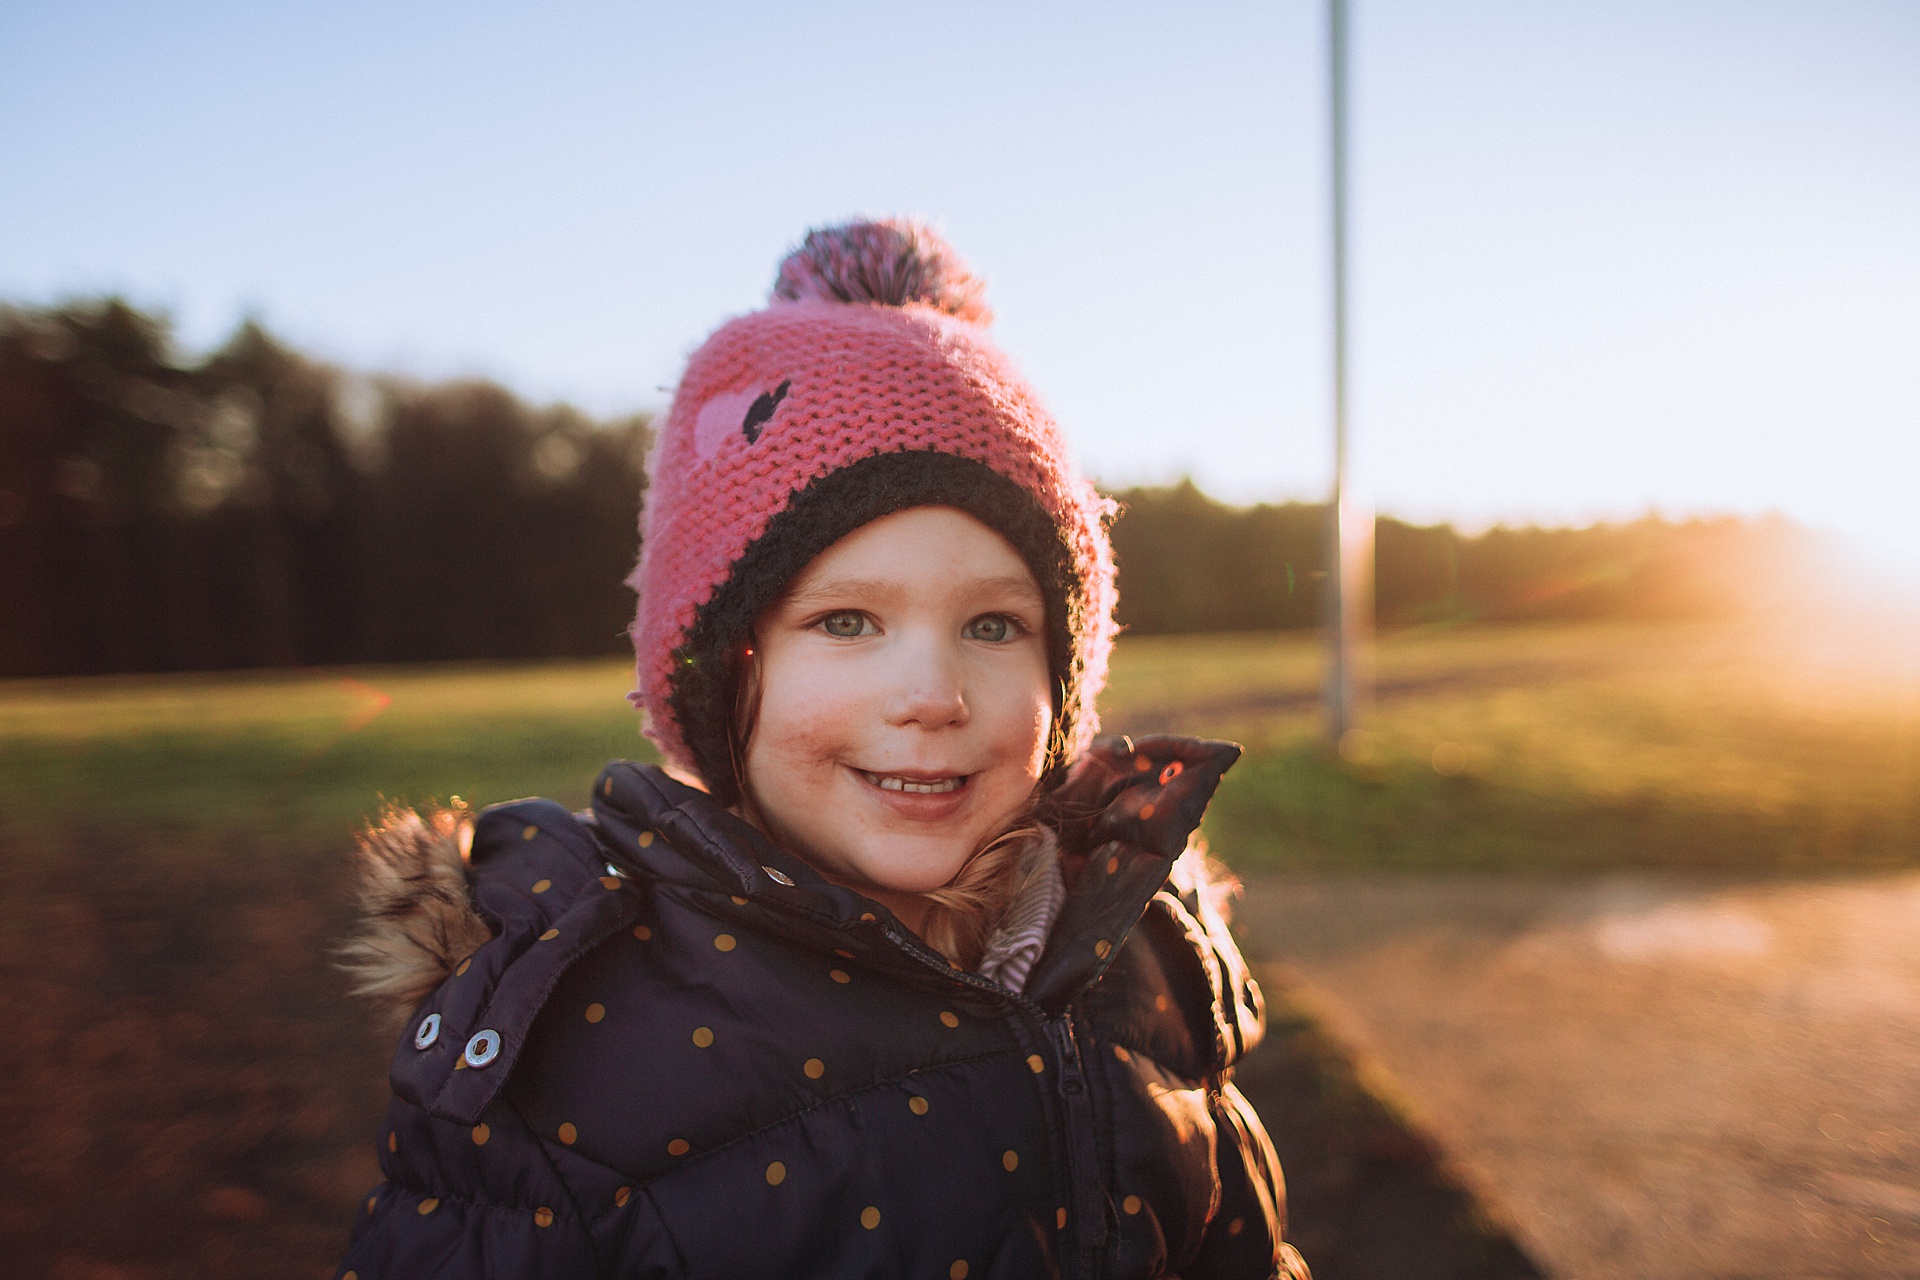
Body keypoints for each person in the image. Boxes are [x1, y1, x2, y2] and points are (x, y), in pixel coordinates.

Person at [334, 219, 1311, 1279]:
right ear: (718, 673)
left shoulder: (1143, 968)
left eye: (993, 625)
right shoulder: (569, 1062)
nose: (933, 695)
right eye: (847, 621)